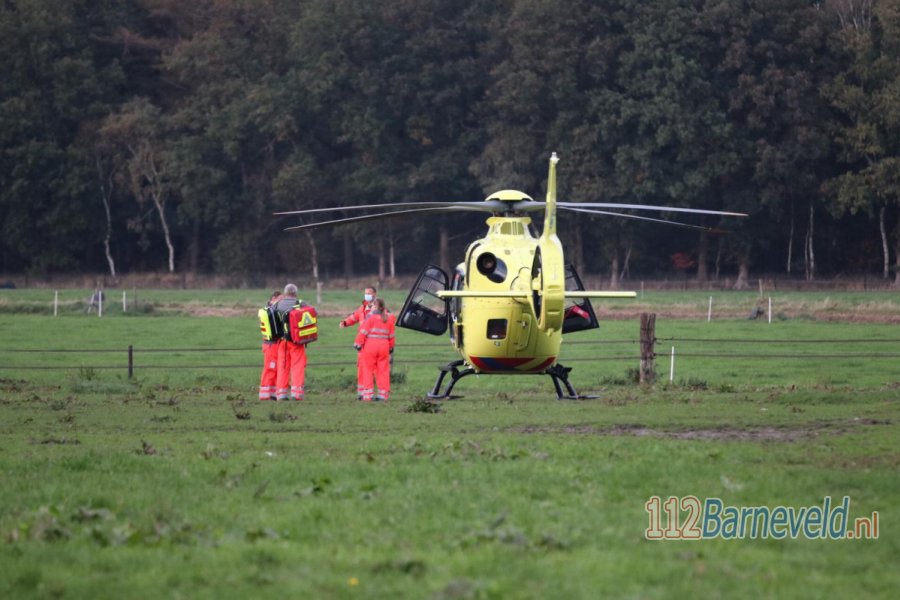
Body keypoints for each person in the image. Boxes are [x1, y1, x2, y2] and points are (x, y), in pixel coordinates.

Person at [273, 284, 318, 401]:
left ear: (285, 293)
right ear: (295, 293)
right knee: (297, 367)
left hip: (282, 341)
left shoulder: (277, 304)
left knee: (283, 367)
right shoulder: (300, 303)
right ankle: (296, 394)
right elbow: (315, 312)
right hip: (297, 342)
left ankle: (281, 394)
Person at [354, 298, 395, 402]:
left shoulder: (370, 318)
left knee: (368, 370)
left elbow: (363, 332)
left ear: (375, 307)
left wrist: (358, 344)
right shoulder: (388, 319)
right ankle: (383, 395)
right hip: (384, 347)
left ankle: (368, 395)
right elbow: (392, 336)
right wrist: (391, 347)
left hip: (370, 346)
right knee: (383, 370)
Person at [339, 286, 377, 399]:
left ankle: (372, 392)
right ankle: (361, 392)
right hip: (362, 344)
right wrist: (345, 322)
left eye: (369, 293)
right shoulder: (363, 307)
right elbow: (354, 317)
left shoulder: (379, 308)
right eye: (365, 293)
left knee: (373, 369)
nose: (367, 295)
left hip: (374, 343)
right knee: (361, 367)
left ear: (375, 294)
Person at [257, 290, 281, 400]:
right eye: (280, 299)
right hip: (271, 344)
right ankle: (265, 393)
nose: (281, 302)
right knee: (270, 368)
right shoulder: (270, 312)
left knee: (275, 369)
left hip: (272, 344)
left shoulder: (267, 311)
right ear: (273, 299)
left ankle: (272, 393)